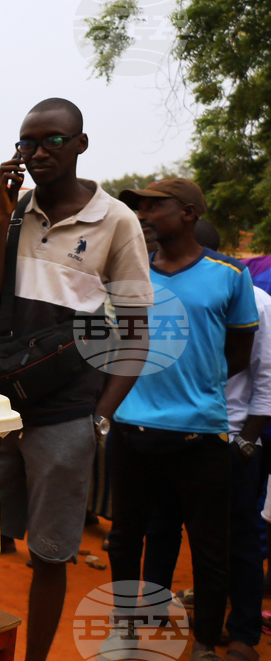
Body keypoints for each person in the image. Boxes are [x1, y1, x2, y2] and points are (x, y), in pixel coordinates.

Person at [0, 97, 153, 661]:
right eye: (27, 142)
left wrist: (100, 416)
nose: (38, 152)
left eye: (53, 141)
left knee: (49, 554)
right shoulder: (4, 211)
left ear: (81, 144)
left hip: (67, 413)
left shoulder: (115, 219)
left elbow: (138, 331)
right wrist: (3, 217)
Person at [108, 179, 258, 661]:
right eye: (141, 207)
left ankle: (204, 644)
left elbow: (237, 353)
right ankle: (125, 630)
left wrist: (190, 385)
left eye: (156, 206)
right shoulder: (128, 274)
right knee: (126, 539)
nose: (145, 214)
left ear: (189, 213)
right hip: (131, 431)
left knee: (210, 548)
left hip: (200, 434)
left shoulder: (230, 276)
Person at [140, 218, 270, 661]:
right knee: (161, 526)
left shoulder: (258, 303)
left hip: (227, 440)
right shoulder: (161, 296)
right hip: (170, 434)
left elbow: (266, 379)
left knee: (233, 540)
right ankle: (155, 610)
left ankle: (242, 632)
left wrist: (245, 442)